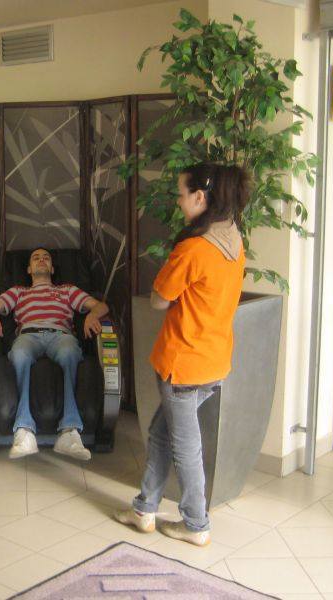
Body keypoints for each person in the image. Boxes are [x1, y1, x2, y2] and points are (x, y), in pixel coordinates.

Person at [115, 163, 248, 546]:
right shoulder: (234, 239)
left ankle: (195, 524)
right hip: (214, 360)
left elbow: (159, 299)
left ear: (200, 197)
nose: (178, 201)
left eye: (181, 194)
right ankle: (144, 509)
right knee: (161, 434)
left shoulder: (194, 248)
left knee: (185, 447)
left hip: (183, 365)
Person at [0, 247, 109, 460]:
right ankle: (24, 430)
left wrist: (92, 315)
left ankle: (69, 431)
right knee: (19, 354)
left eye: (46, 258)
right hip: (28, 335)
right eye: (36, 258)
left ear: (52, 268)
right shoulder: (19, 292)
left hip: (60, 335)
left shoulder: (67, 290)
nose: (41, 260)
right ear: (29, 269)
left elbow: (101, 306)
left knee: (69, 352)